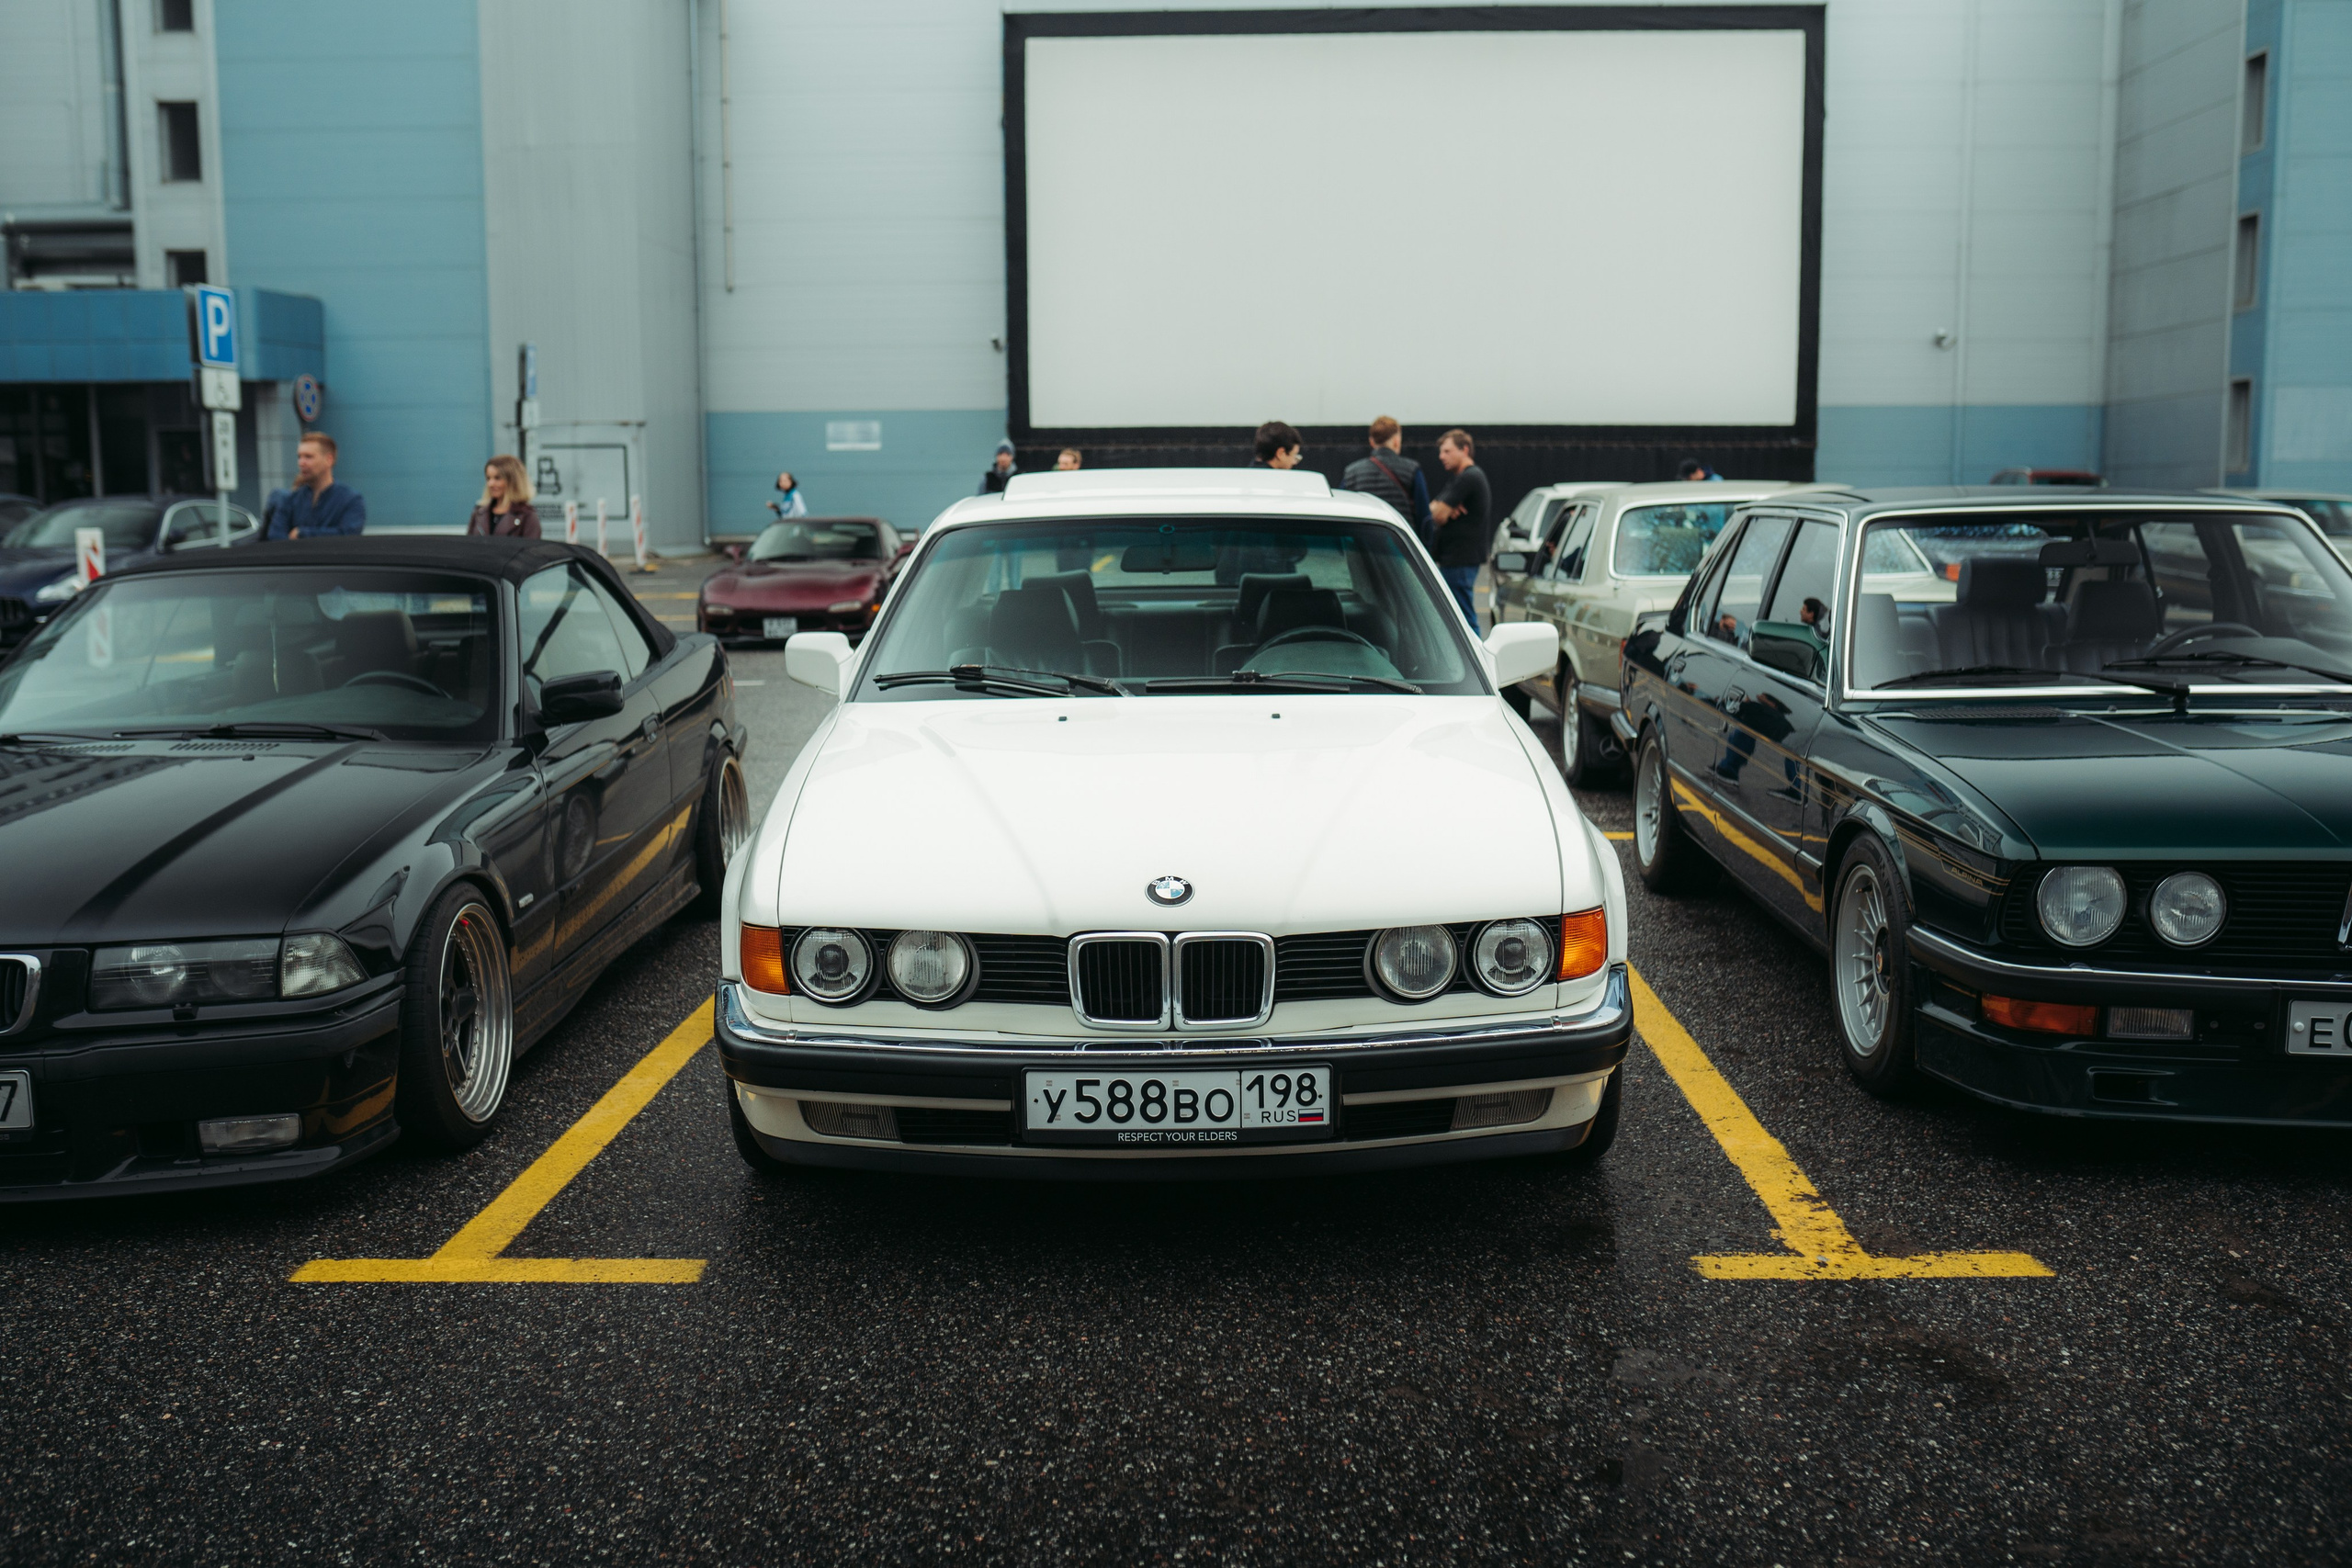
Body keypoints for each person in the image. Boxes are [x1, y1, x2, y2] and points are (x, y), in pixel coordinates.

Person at [1428, 429, 1492, 629]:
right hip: (1456, 560)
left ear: (1464, 450)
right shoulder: (1460, 478)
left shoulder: (1468, 478)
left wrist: (1440, 509)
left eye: (1447, 451)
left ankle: (1475, 659)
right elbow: (1432, 511)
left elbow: (1436, 515)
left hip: (1460, 561)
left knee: (1463, 620)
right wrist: (1442, 507)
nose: (1441, 457)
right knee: (1457, 618)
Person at [1340, 416, 1430, 539]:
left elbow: (1342, 512)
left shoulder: (1351, 472)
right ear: (1396, 440)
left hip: (1361, 544)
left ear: (1371, 442)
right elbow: (1424, 518)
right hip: (1400, 546)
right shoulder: (1412, 469)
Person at [265, 432, 366, 538]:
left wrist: (301, 533)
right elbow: (275, 538)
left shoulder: (351, 500)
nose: (301, 463)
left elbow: (348, 536)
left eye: (308, 457)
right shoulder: (290, 500)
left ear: (329, 459)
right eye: (299, 457)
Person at [466, 454, 541, 538]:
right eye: (488, 478)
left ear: (513, 481)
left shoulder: (527, 515)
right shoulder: (479, 511)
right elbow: (468, 547)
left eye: (497, 478)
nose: (490, 484)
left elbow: (531, 550)